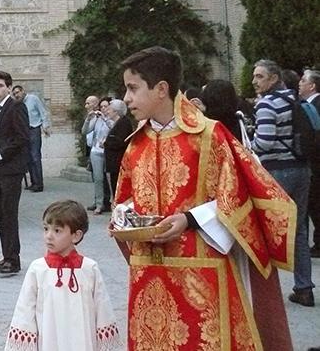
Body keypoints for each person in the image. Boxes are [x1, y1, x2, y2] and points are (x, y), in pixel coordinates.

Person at [114, 46, 296, 350]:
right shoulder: (136, 145)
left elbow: (240, 201)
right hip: (150, 271)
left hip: (201, 269)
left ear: (161, 89)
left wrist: (188, 219)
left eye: (132, 88)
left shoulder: (209, 136)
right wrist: (128, 218)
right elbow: (124, 202)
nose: (126, 98)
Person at [4, 200, 121, 351]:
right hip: (49, 341)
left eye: (57, 231)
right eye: (46, 229)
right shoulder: (38, 269)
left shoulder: (89, 269)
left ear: (76, 235)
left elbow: (103, 310)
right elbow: (24, 312)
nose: (49, 236)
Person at [251, 59, 315, 307]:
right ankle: (304, 287)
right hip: (301, 169)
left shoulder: (267, 103)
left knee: (266, 229)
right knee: (298, 230)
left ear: (274, 78)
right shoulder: (293, 99)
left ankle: (265, 292)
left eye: (260, 76)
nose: (255, 81)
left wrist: (250, 145)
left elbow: (264, 142)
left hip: (277, 172)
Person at [0, 70, 31, 275]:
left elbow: (22, 138)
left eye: (0, 86)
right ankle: (7, 255)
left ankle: (14, 259)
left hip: (12, 169)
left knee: (9, 214)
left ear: (9, 88)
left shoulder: (16, 107)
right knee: (2, 214)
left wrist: (0, 154)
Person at [12, 85, 51, 193]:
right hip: (24, 132)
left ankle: (39, 184)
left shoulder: (33, 99)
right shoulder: (17, 104)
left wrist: (45, 126)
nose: (16, 95)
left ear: (23, 91)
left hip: (34, 129)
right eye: (14, 94)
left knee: (35, 157)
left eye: (17, 92)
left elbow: (43, 112)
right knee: (28, 158)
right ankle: (33, 183)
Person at [299, 69, 320, 258]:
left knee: (314, 203)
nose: (300, 84)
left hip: (314, 163)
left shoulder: (314, 105)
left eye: (303, 81)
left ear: (312, 86)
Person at [82, 98, 113, 215]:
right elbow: (85, 131)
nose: (103, 109)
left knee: (110, 179)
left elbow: (113, 127)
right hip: (96, 152)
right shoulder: (96, 119)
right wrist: (88, 119)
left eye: (106, 107)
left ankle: (112, 202)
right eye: (102, 107)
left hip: (109, 152)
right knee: (98, 179)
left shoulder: (112, 118)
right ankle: (99, 204)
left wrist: (105, 118)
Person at [101, 98, 133, 203]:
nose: (107, 111)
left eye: (109, 109)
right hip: (113, 163)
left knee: (117, 189)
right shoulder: (117, 123)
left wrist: (106, 142)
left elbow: (121, 141)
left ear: (116, 111)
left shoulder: (124, 123)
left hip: (118, 162)